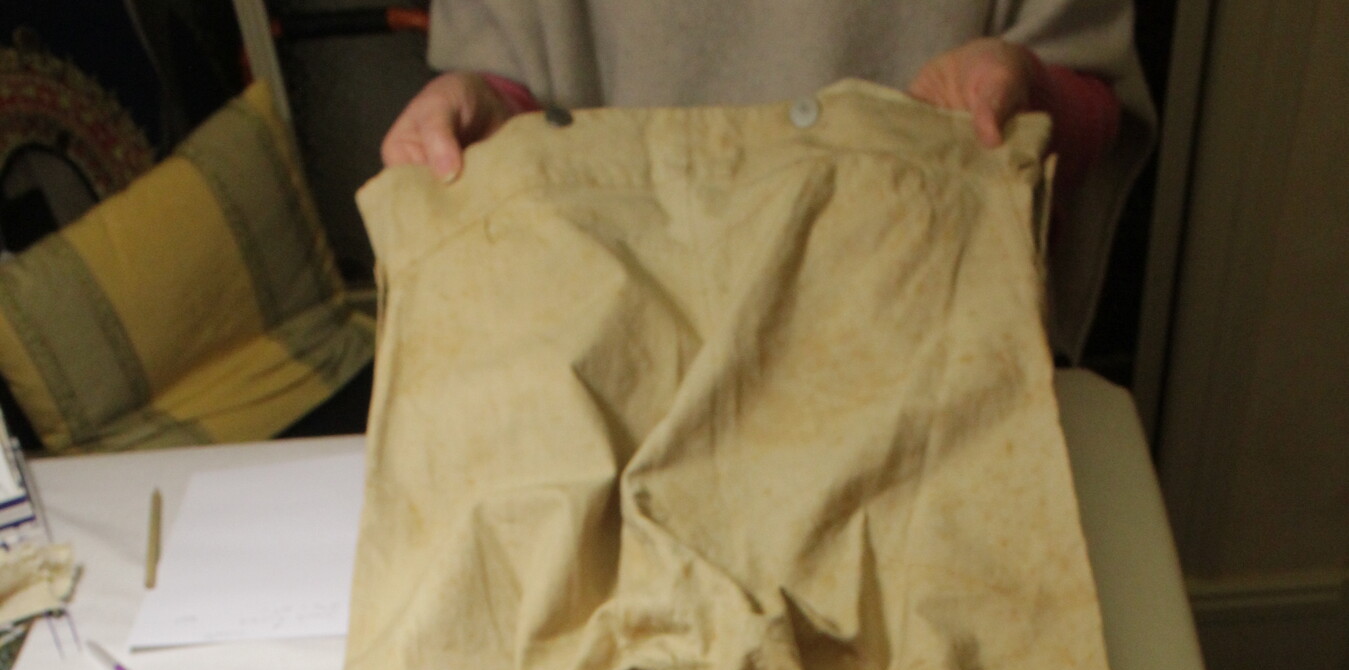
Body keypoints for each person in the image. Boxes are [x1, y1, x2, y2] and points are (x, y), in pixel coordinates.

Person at [379, 0, 1155, 356]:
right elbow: (513, 83)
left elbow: (1089, 99)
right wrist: (482, 110)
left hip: (913, 348)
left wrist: (1025, 90)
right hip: (611, 356)